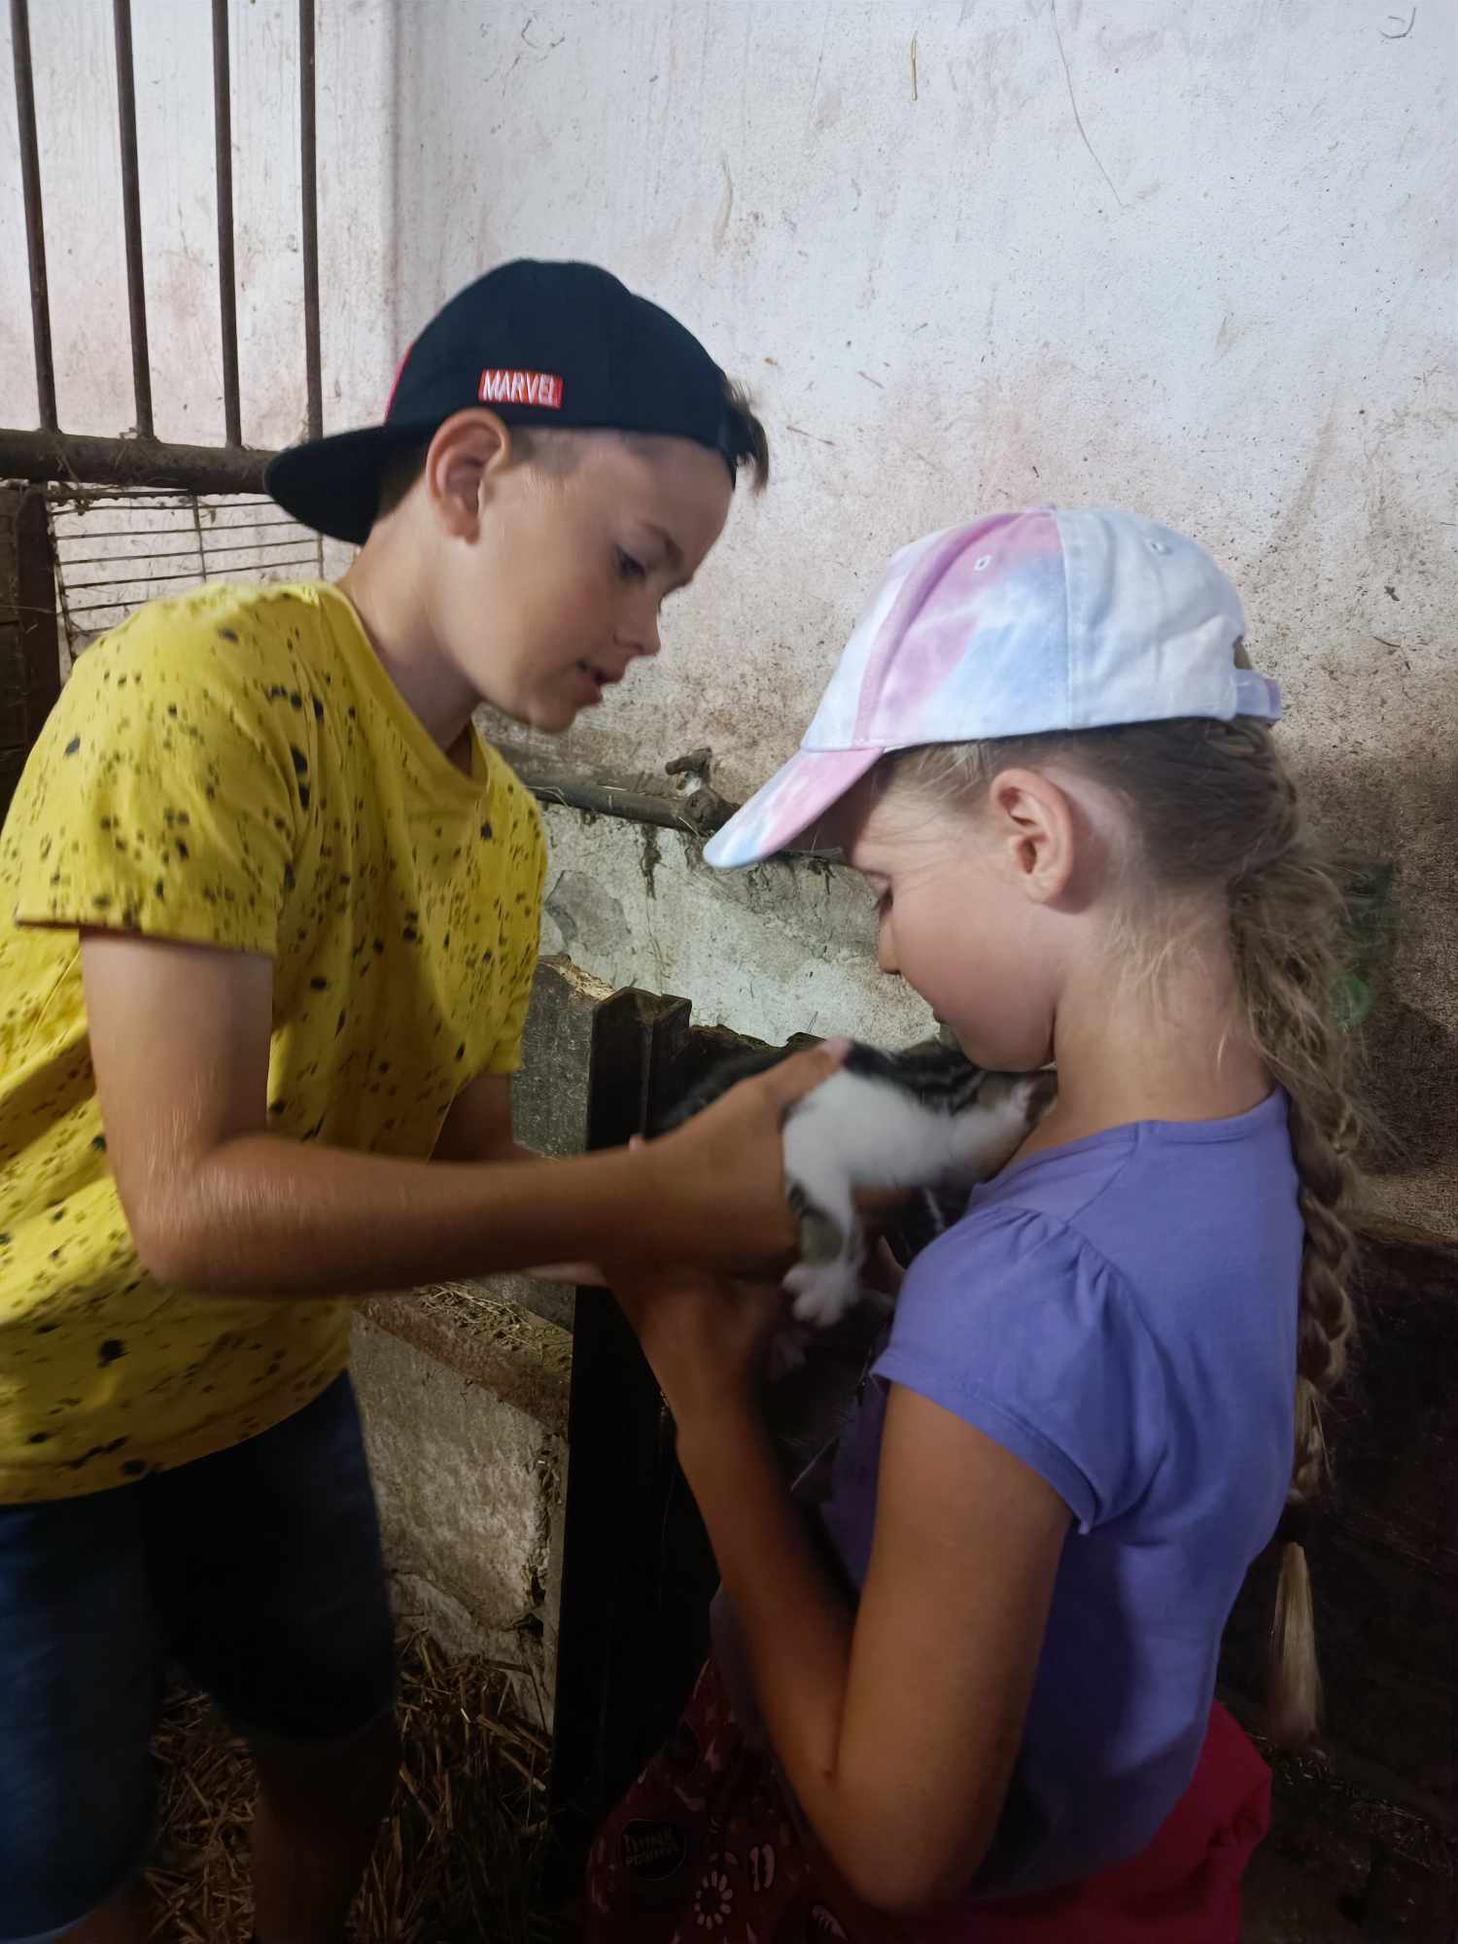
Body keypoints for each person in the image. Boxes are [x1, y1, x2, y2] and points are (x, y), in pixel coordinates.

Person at [0, 259, 840, 1944]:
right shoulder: (208, 685)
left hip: (264, 1383)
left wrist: (705, 1250)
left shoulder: (502, 835)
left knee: (340, 1756)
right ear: (467, 471)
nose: (647, 635)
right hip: (26, 1419)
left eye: (669, 590)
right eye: (633, 562)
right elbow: (191, 1204)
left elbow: (470, 1167)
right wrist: (656, 1192)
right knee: (72, 1883)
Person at [587, 508, 1358, 1942]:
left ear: (1031, 834)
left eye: (882, 888)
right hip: (1126, 1854)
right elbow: (1095, 1422)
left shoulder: (1027, 1285)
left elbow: (893, 1847)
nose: (883, 947)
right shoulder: (1231, 1138)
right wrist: (906, 1356)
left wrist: (707, 1407)